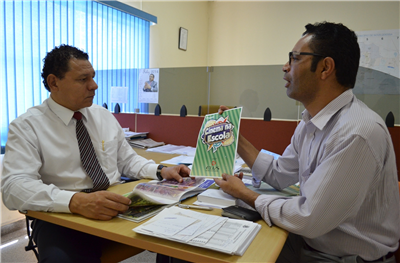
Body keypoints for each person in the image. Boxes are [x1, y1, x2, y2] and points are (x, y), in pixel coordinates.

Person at [215, 22, 400, 263]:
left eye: (294, 58)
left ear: (325, 68)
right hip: (311, 243)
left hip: (340, 258)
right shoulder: (311, 122)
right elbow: (279, 173)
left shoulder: (357, 132)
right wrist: (235, 138)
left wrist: (248, 195)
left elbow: (307, 217)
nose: (285, 68)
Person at [1, 44, 190, 262]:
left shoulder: (103, 115)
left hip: (116, 202)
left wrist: (160, 170)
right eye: (83, 80)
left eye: (93, 77)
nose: (94, 85)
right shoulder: (27, 126)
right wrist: (77, 202)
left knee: (184, 237)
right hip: (63, 216)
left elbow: (127, 160)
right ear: (54, 83)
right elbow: (13, 188)